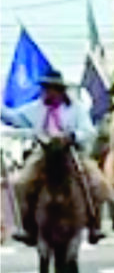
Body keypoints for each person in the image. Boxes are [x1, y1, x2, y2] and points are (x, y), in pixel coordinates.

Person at [4, 72, 108, 246]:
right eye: (44, 89)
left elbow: (89, 131)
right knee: (20, 183)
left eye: (48, 89)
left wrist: (73, 136)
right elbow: (13, 118)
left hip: (71, 151)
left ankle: (94, 224)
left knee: (97, 182)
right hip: (44, 151)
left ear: (58, 91)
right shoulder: (35, 108)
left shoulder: (76, 109)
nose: (45, 93)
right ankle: (26, 226)